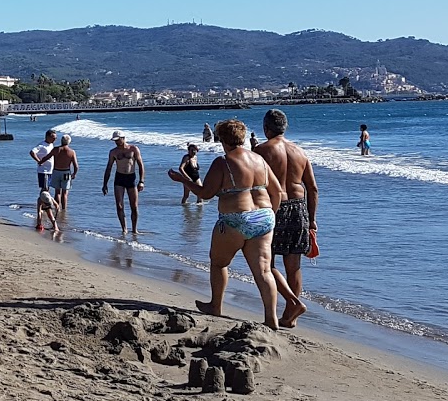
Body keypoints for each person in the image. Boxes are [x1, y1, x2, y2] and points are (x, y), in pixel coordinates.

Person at [168, 118, 305, 329]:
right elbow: (277, 192)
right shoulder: (259, 160)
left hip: (236, 218)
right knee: (264, 271)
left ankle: (216, 305)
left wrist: (182, 180)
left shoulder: (223, 162)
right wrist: (272, 216)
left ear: (222, 139)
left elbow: (206, 193)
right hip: (264, 217)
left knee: (219, 263)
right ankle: (271, 319)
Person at [255, 109, 319, 328]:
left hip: (275, 208)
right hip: (299, 208)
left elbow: (255, 183)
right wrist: (312, 219)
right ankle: (290, 316)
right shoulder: (300, 152)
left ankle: (292, 303)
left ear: (266, 129)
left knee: (265, 262)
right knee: (294, 265)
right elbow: (313, 188)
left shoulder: (261, 150)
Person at [101, 131, 145, 235]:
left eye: (118, 140)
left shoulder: (133, 149)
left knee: (134, 206)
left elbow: (140, 165)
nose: (116, 142)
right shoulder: (113, 152)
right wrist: (105, 184)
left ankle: (134, 229)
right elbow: (109, 168)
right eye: (115, 141)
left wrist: (141, 181)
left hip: (131, 178)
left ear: (123, 138)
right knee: (119, 205)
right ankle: (124, 228)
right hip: (119, 178)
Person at [47, 133, 78, 215]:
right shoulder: (71, 152)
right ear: (69, 142)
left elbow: (47, 157)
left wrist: (40, 162)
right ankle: (64, 210)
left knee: (57, 192)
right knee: (64, 193)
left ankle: (57, 208)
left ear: (61, 141)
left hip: (56, 171)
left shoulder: (56, 149)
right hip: (66, 172)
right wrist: (74, 173)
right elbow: (76, 166)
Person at [30, 130, 57, 204]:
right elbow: (32, 152)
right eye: (53, 138)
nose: (54, 139)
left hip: (50, 170)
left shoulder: (51, 145)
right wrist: (38, 161)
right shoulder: (42, 145)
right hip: (43, 170)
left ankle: (43, 203)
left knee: (47, 188)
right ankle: (42, 204)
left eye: (55, 138)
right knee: (44, 189)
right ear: (48, 137)